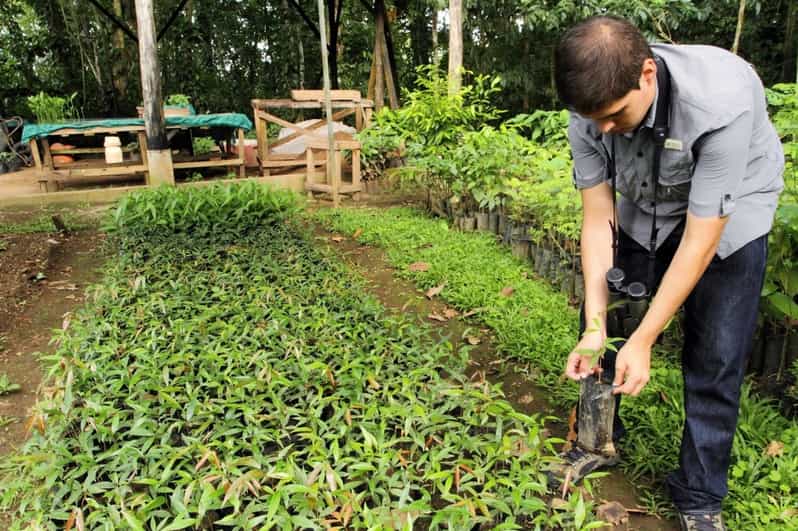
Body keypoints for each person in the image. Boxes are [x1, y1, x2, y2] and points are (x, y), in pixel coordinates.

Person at [551, 15, 784, 531]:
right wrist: (597, 326)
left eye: (615, 115)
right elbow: (597, 220)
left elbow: (702, 240)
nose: (604, 129)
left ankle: (700, 496)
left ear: (648, 75)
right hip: (647, 199)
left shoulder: (722, 103)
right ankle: (597, 441)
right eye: (594, 121)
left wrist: (646, 337)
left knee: (716, 352)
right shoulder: (590, 110)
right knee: (603, 330)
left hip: (730, 209)